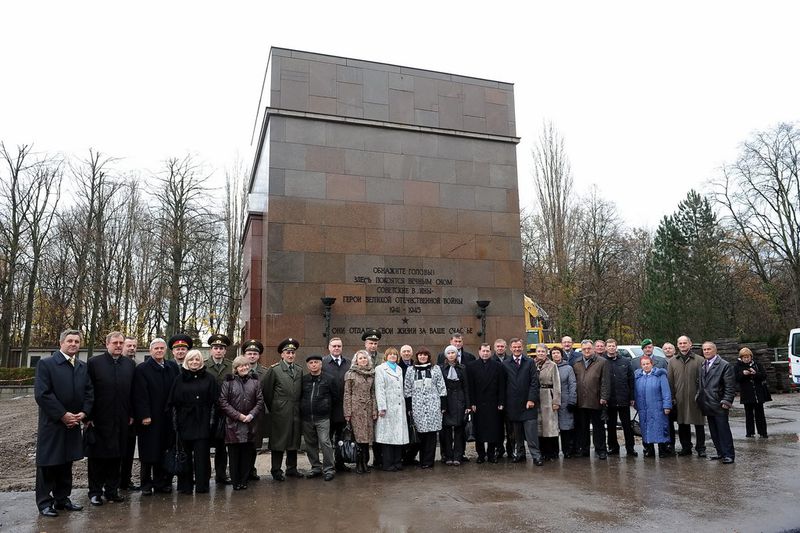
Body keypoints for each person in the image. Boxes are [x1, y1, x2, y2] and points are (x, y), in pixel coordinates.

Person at [34, 329, 94, 518]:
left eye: (77, 341)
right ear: (61, 343)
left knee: (66, 462)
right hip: (53, 423)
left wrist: (83, 413)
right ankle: (44, 502)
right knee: (48, 463)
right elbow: (43, 394)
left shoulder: (82, 366)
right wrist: (62, 415)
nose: (73, 344)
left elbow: (89, 392)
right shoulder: (47, 364)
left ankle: (62, 499)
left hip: (74, 422)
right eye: (70, 341)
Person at [86, 331, 136, 506]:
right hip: (99, 418)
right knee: (98, 457)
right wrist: (88, 416)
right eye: (115, 343)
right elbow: (88, 390)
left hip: (122, 418)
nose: (118, 345)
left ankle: (112, 491)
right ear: (107, 344)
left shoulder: (129, 364)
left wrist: (131, 413)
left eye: (121, 343)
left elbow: (132, 392)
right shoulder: (94, 363)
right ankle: (95, 492)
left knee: (117, 456)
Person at [133, 338, 179, 496]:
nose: (159, 351)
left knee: (163, 451)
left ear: (166, 350)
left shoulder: (172, 367)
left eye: (162, 348)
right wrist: (144, 415)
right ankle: (146, 483)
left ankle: (161, 483)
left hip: (167, 418)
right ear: (150, 350)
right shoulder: (143, 369)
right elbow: (140, 394)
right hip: (150, 418)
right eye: (156, 348)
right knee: (148, 452)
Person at [169, 349, 218, 493]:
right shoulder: (179, 379)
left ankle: (202, 485)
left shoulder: (209, 378)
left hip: (203, 421)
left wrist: (212, 421)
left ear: (201, 361)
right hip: (184, 421)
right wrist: (175, 423)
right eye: (191, 360)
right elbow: (173, 402)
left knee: (202, 456)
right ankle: (185, 486)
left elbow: (216, 401)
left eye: (197, 359)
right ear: (186, 361)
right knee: (185, 455)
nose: (194, 362)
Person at [218, 356, 264, 490]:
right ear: (236, 369)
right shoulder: (229, 382)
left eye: (246, 366)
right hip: (233, 424)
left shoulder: (255, 382)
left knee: (247, 453)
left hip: (250, 423)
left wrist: (251, 415)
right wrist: (238, 416)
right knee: (234, 455)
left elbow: (260, 401)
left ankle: (244, 480)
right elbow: (223, 402)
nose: (244, 368)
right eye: (240, 366)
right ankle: (235, 481)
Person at [263, 338, 303, 481]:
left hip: (295, 410)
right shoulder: (274, 370)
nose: (290, 355)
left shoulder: (299, 369)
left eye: (292, 352)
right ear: (282, 354)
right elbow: (266, 391)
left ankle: (291, 468)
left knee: (293, 440)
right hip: (280, 411)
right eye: (287, 352)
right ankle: (276, 470)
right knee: (279, 442)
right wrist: (275, 407)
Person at [403, 347, 444, 469]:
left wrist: (443, 405)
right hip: (417, 406)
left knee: (431, 435)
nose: (422, 357)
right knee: (420, 435)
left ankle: (428, 461)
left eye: (425, 355)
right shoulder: (411, 370)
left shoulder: (435, 369)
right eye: (420, 355)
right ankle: (419, 459)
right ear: (417, 357)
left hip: (433, 405)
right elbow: (407, 389)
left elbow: (441, 386)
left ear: (428, 357)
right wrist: (409, 407)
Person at [503, 338, 542, 465]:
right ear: (510, 348)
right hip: (513, 404)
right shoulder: (505, 363)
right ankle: (520, 454)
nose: (517, 349)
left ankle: (536, 455)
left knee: (531, 433)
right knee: (517, 433)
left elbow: (534, 382)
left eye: (519, 347)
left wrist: (531, 399)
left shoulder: (530, 362)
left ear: (522, 347)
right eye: (514, 347)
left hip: (528, 404)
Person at [696, 341, 736, 464]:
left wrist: (726, 400)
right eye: (704, 350)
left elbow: (730, 386)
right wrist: (698, 397)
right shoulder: (703, 364)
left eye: (709, 349)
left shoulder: (724, 365)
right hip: (707, 403)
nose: (706, 351)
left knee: (723, 430)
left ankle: (729, 454)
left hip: (719, 403)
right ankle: (720, 452)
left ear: (715, 350)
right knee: (713, 431)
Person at [667, 335, 707, 457]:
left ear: (690, 344)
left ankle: (701, 448)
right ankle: (686, 447)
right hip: (679, 399)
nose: (683, 345)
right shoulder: (672, 361)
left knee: (699, 424)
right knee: (682, 423)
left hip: (696, 398)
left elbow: (704, 381)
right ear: (677, 345)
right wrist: (672, 398)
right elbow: (670, 381)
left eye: (685, 343)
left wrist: (701, 396)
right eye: (680, 343)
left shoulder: (700, 360)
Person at [467, 343, 506, 463]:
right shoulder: (471, 366)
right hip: (478, 404)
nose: (485, 353)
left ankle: (491, 453)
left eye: (487, 351)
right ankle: (480, 454)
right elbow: (470, 387)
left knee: (493, 430)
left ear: (490, 352)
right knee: (478, 430)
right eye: (483, 351)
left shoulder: (498, 366)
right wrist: (471, 403)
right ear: (479, 352)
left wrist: (501, 402)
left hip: (493, 403)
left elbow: (502, 386)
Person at [300, 354, 337, 481]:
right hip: (306, 417)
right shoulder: (304, 379)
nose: (314, 364)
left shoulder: (329, 379)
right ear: (308, 365)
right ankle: (315, 467)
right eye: (311, 363)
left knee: (325, 442)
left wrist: (327, 410)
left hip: (323, 417)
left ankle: (329, 469)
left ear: (321, 364)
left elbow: (335, 397)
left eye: (316, 362)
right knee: (310, 444)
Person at [572, 339, 610, 459]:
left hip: (596, 400)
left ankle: (601, 450)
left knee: (598, 427)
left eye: (589, 348)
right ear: (581, 350)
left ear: (593, 349)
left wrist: (604, 397)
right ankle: (584, 449)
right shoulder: (576, 363)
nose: (587, 351)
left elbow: (605, 381)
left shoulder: (602, 362)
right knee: (582, 427)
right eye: (584, 349)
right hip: (581, 400)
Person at [343, 350, 378, 474]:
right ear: (356, 361)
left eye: (365, 358)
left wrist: (374, 410)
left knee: (367, 438)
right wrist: (347, 412)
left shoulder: (371, 374)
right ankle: (358, 463)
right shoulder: (350, 374)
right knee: (358, 438)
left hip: (368, 409)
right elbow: (347, 394)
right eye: (360, 358)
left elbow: (373, 393)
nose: (363, 360)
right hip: (355, 409)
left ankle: (365, 463)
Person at [376, 347, 410, 471]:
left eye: (395, 355)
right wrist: (382, 407)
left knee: (398, 435)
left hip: (400, 406)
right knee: (388, 437)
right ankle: (387, 463)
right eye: (390, 355)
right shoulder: (380, 369)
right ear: (386, 356)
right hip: (388, 406)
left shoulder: (400, 369)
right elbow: (379, 388)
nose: (392, 356)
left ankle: (397, 461)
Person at [205, 333, 233, 486]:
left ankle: (221, 475)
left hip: (225, 412)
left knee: (223, 446)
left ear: (225, 351)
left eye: (221, 348)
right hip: (207, 412)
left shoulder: (231, 366)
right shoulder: (203, 365)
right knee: (204, 445)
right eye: (215, 348)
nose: (218, 351)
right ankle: (205, 475)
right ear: (211, 350)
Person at [322, 337, 352, 473]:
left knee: (341, 437)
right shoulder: (323, 362)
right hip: (328, 407)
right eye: (334, 346)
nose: (336, 348)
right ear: (329, 347)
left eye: (339, 346)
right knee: (326, 439)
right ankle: (327, 464)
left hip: (343, 407)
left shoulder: (349, 363)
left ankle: (340, 462)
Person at [604, 339, 637, 457]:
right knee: (611, 425)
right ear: (606, 347)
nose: (611, 348)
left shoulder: (625, 361)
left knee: (627, 425)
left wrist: (632, 397)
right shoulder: (603, 362)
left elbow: (631, 380)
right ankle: (613, 447)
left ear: (616, 347)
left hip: (624, 398)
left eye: (613, 346)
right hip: (609, 399)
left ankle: (630, 448)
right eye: (609, 346)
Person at [634, 356, 672, 457]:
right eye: (643, 364)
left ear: (652, 364)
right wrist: (636, 404)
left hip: (658, 408)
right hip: (643, 409)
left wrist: (667, 406)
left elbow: (666, 392)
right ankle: (649, 450)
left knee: (660, 428)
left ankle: (662, 450)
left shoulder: (660, 375)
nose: (646, 366)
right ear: (641, 365)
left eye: (648, 364)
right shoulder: (638, 377)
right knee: (646, 429)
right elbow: (636, 393)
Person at [439, 345, 471, 466]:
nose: (451, 355)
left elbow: (466, 387)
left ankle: (458, 455)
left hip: (459, 401)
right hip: (446, 402)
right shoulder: (441, 368)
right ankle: (448, 456)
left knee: (459, 430)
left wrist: (468, 405)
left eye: (453, 352)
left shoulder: (462, 368)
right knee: (446, 431)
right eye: (449, 353)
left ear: (456, 354)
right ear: (446, 355)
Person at [243, 339, 268, 481]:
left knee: (254, 444)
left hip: (257, 415)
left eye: (254, 354)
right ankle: (242, 470)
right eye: (249, 353)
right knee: (241, 442)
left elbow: (267, 393)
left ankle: (251, 469)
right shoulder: (237, 370)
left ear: (258, 356)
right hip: (240, 414)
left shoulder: (265, 372)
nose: (252, 356)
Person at [533, 344, 561, 460]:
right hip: (537, 396)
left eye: (542, 351)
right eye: (538, 351)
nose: (540, 353)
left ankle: (553, 452)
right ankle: (542, 451)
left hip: (548, 396)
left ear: (546, 352)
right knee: (540, 426)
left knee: (550, 426)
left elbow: (557, 384)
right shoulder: (532, 364)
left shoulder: (552, 365)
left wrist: (556, 401)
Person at [734, 347, 770, 438]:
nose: (746, 359)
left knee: (760, 414)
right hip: (746, 394)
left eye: (748, 357)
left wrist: (755, 373)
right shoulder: (737, 366)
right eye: (744, 357)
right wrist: (743, 374)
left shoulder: (757, 364)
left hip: (758, 394)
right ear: (741, 358)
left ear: (751, 357)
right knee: (748, 414)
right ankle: (750, 432)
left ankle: (763, 432)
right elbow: (736, 378)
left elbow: (764, 376)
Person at [119, 336, 139, 491]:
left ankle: (126, 480)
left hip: (132, 417)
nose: (132, 348)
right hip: (114, 417)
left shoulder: (135, 365)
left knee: (129, 451)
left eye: (134, 345)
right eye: (129, 345)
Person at [551, 347, 577, 458]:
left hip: (565, 401)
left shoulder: (568, 368)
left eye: (558, 353)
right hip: (551, 401)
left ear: (562, 355)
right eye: (553, 353)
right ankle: (554, 451)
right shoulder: (548, 367)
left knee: (566, 427)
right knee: (552, 428)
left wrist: (572, 400)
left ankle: (567, 451)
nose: (556, 355)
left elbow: (572, 384)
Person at [397, 344, 419, 466]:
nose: (406, 353)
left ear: (412, 353)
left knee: (414, 430)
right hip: (401, 403)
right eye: (404, 351)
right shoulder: (397, 366)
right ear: (401, 353)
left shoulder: (416, 365)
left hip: (415, 402)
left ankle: (411, 456)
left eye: (408, 351)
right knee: (403, 430)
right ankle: (402, 456)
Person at [491, 338, 514, 457]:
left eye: (502, 346)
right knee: (497, 426)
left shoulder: (511, 360)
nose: (500, 348)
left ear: (505, 348)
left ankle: (511, 450)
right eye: (498, 346)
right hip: (495, 400)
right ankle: (499, 449)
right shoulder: (490, 360)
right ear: (494, 348)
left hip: (509, 398)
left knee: (510, 427)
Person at [661, 341, 678, 448]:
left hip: (679, 394)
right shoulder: (660, 362)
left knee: (683, 422)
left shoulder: (679, 361)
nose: (668, 350)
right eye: (665, 348)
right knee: (668, 421)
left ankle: (687, 445)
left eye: (670, 348)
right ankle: (670, 444)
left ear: (674, 350)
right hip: (667, 396)